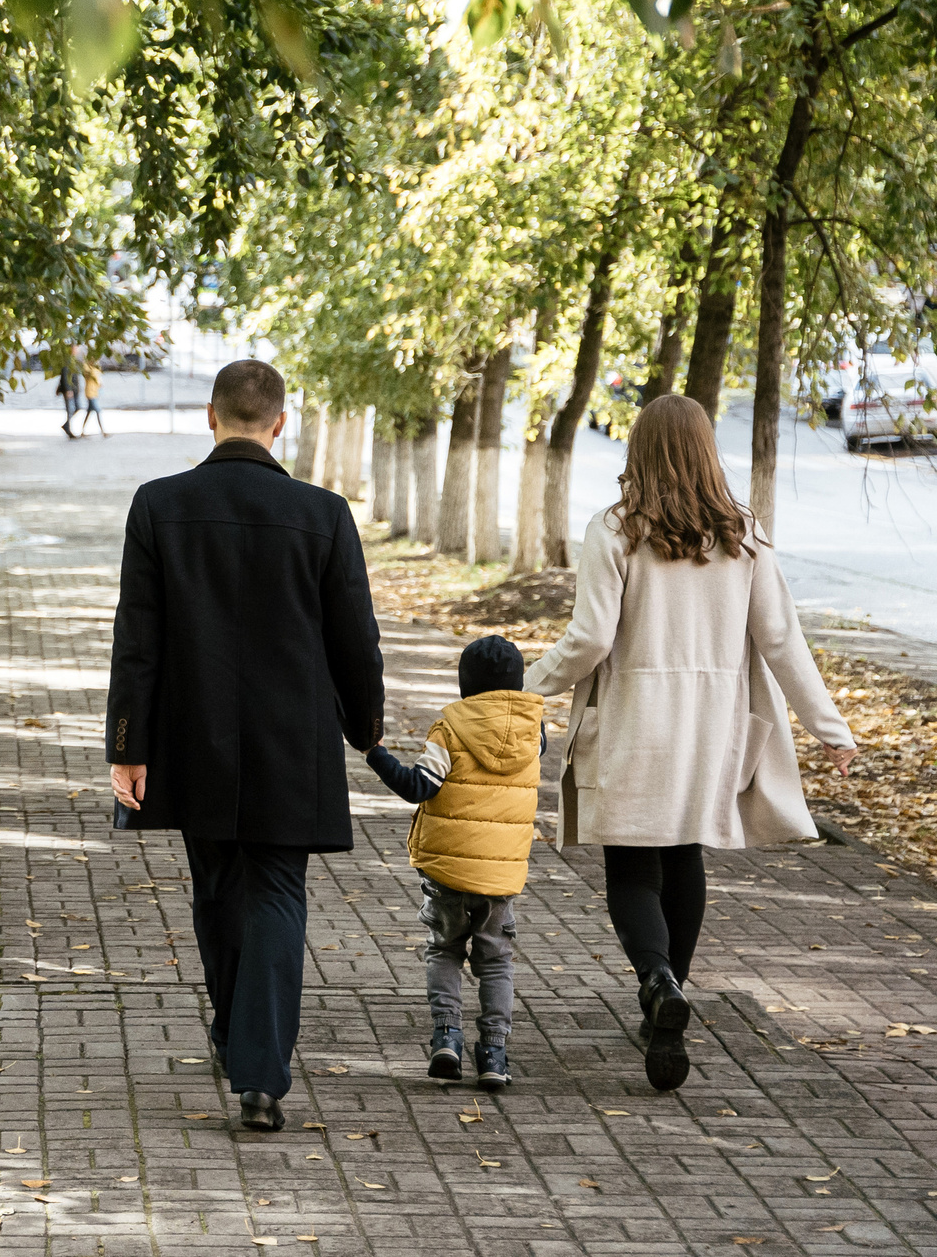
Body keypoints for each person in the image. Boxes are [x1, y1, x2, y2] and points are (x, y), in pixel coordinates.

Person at [524, 393, 859, 1092]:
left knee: (632, 864)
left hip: (634, 720)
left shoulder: (615, 529)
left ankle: (656, 980)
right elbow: (781, 641)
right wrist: (832, 730)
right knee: (683, 855)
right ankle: (666, 997)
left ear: (638, 449)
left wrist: (525, 685)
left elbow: (589, 639)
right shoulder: (744, 534)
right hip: (713, 726)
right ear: (707, 451)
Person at [107, 359, 386, 1131]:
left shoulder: (159, 505)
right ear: (279, 423)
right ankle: (255, 1063)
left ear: (210, 416)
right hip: (291, 740)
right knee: (275, 891)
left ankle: (244, 1043)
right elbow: (355, 638)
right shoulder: (324, 514)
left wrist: (127, 744)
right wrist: (366, 723)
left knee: (216, 888)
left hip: (192, 736)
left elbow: (138, 638)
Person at [365, 635, 546, 1092]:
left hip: (447, 871)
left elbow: (418, 786)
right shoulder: (533, 731)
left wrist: (376, 754)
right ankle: (495, 1051)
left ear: (466, 684)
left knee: (445, 949)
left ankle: (447, 1035)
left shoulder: (449, 728)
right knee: (497, 961)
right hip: (501, 875)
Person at [79, 358, 108, 437]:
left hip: (95, 392)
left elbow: (98, 377)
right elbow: (90, 375)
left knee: (89, 412)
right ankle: (103, 431)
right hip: (90, 392)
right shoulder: (87, 368)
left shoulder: (95, 368)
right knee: (98, 410)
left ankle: (82, 430)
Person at [54, 355, 82, 437]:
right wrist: (68, 389)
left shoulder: (74, 361)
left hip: (75, 390)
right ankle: (68, 428)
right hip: (69, 390)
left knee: (77, 407)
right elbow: (65, 376)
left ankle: (67, 425)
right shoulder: (67, 361)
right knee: (70, 409)